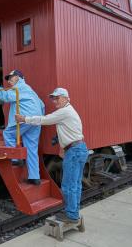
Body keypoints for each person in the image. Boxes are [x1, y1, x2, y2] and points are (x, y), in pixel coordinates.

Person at [15, 88, 88, 224]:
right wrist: (62, 146)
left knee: (68, 185)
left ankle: (72, 215)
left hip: (74, 151)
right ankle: (73, 211)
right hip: (79, 148)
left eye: (57, 98)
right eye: (53, 98)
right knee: (75, 185)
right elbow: (69, 130)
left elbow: (45, 120)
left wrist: (24, 119)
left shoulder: (64, 112)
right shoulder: (70, 111)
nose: (55, 101)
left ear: (66, 98)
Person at [0, 70, 44, 185]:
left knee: (8, 133)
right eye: (8, 79)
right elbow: (42, 104)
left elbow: (5, 97)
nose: (8, 81)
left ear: (18, 77)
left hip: (25, 118)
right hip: (36, 120)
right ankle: (35, 177)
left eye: (11, 78)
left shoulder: (19, 87)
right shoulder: (29, 89)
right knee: (32, 148)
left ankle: (15, 159)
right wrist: (39, 118)